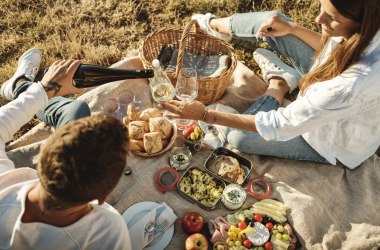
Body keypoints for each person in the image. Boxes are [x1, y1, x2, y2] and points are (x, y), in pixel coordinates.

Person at [162, 0, 380, 169]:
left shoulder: (352, 86)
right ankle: (210, 25)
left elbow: (279, 124)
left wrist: (206, 116)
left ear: (364, 22)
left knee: (239, 137)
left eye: (331, 17)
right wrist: (293, 28)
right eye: (321, 5)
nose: (317, 18)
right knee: (273, 22)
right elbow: (333, 50)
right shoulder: (367, 23)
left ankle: (278, 84)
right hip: (326, 77)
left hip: (328, 139)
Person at [0, 54, 132, 248]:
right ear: (103, 198)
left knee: (76, 109)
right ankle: (20, 86)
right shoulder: (108, 230)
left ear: (44, 148)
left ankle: (21, 85)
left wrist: (46, 87)